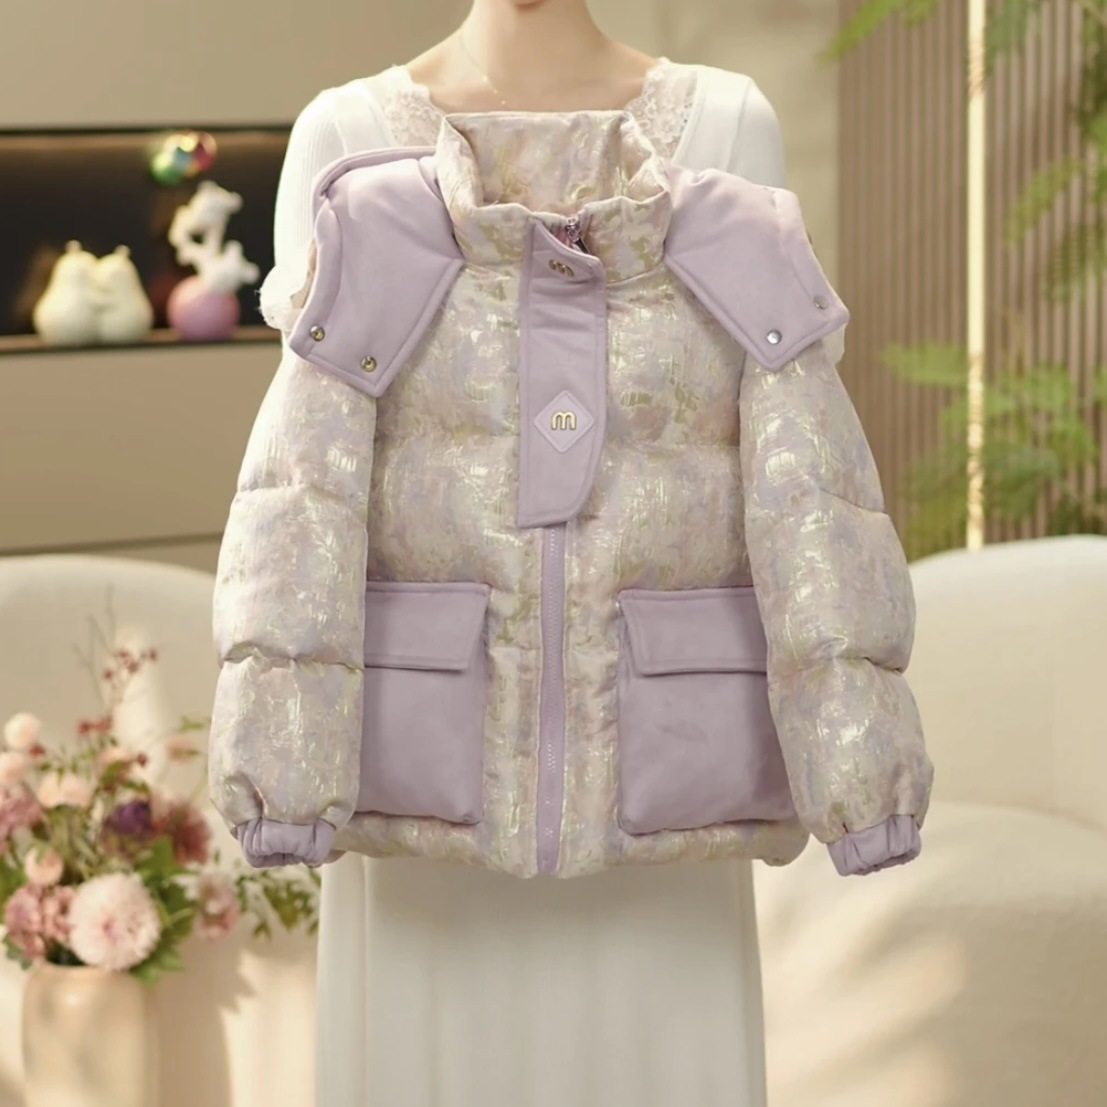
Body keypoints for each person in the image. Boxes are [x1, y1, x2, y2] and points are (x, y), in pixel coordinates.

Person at [263, 3, 793, 1103]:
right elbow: (308, 486)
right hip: (420, 777)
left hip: (665, 772)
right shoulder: (345, 139)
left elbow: (791, 467)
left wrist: (848, 752)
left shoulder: (728, 128)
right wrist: (279, 755)